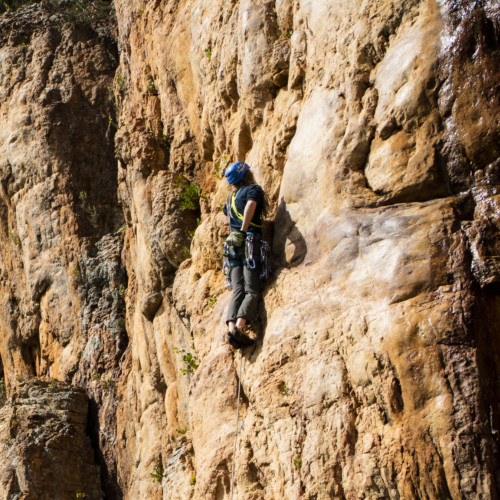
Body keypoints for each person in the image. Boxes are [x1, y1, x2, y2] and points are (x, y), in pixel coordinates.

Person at [222, 161, 266, 348]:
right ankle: (240, 328)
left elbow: (228, 213)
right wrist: (244, 229)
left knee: (237, 289)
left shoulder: (230, 199)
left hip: (233, 246)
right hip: (248, 242)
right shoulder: (252, 190)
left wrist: (237, 231)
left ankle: (231, 329)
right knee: (252, 290)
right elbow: (251, 205)